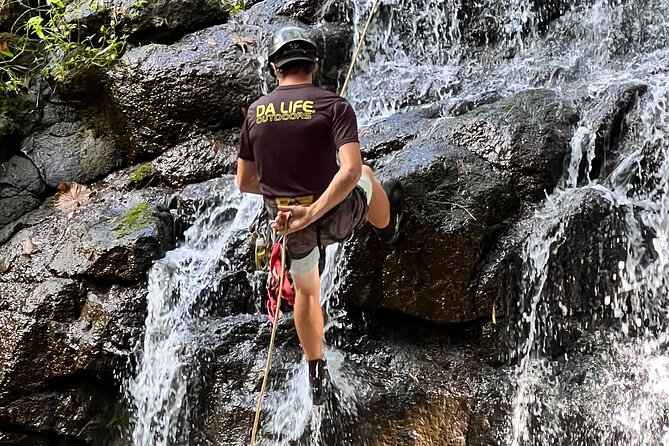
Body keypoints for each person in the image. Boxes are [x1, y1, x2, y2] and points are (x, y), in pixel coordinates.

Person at [236, 26, 403, 405]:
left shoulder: (254, 113)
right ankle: (388, 227)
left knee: (308, 292)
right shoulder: (334, 105)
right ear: (314, 65)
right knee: (366, 175)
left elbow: (245, 181)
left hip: (289, 224)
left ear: (275, 69)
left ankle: (315, 370)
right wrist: (314, 207)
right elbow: (348, 170)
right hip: (334, 214)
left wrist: (289, 197)